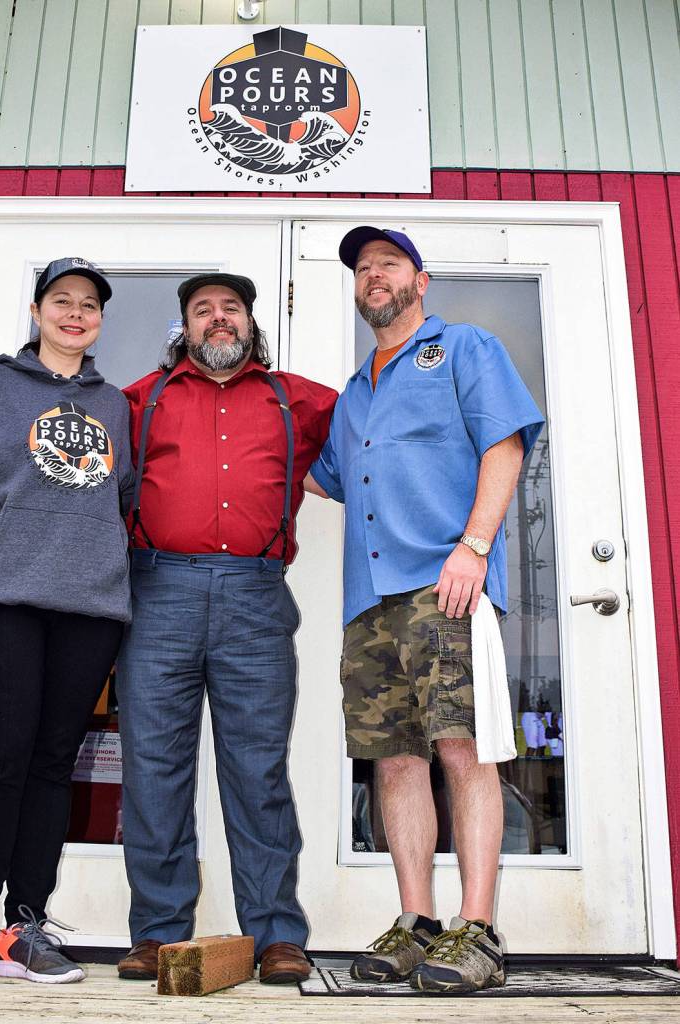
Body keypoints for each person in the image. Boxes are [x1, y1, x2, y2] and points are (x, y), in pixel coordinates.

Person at [306, 227, 544, 994]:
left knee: (462, 750)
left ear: (420, 279)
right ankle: (419, 924)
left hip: (447, 585)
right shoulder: (354, 391)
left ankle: (478, 928)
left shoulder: (465, 348)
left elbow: (503, 445)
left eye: (389, 264)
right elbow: (327, 478)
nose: (374, 276)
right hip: (368, 602)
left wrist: (474, 546)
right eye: (364, 268)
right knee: (394, 758)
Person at [0, 258, 134, 986]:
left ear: (101, 320)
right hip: (4, 598)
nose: (76, 314)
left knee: (52, 764)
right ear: (38, 312)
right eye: (62, 302)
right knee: (3, 757)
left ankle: (26, 925)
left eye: (89, 305)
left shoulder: (116, 407)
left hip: (90, 607)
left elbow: (124, 500)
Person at [115, 273, 337, 985]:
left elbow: (381, 424)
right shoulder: (137, 401)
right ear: (185, 326)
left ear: (249, 322)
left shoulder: (297, 399)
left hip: (254, 598)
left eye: (230, 309)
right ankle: (156, 934)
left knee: (257, 771)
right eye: (203, 310)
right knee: (153, 770)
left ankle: (275, 933)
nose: (218, 320)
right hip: (157, 592)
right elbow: (64, 445)